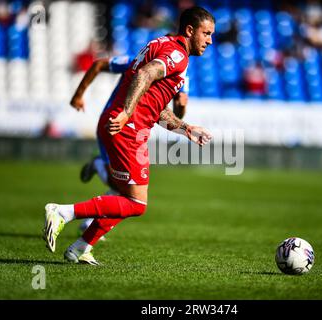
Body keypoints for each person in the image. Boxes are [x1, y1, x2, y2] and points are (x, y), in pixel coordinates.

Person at [42, 6, 215, 265]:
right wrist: (126, 112)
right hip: (129, 129)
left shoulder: (161, 43)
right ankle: (63, 213)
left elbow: (156, 108)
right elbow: (145, 74)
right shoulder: (177, 56)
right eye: (207, 33)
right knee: (136, 203)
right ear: (190, 31)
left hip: (131, 126)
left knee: (125, 198)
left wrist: (186, 129)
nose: (210, 41)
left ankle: (80, 247)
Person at [70, 53, 189, 236]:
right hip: (114, 124)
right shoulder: (139, 62)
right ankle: (96, 171)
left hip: (135, 131)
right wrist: (78, 95)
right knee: (125, 189)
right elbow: (99, 64)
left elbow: (176, 115)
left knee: (126, 188)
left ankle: (86, 231)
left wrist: (181, 104)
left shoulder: (180, 76)